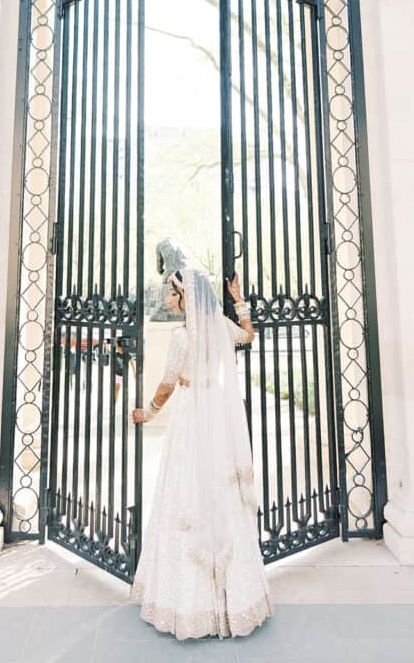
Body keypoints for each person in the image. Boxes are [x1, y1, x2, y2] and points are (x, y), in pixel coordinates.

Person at [130, 267, 274, 640]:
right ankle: (235, 598)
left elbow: (166, 384)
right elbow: (248, 336)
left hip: (194, 413)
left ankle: (191, 602)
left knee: (189, 489)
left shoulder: (183, 336)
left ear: (185, 297)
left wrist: (148, 412)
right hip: (217, 411)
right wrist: (239, 300)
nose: (167, 298)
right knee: (221, 490)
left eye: (171, 292)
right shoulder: (220, 326)